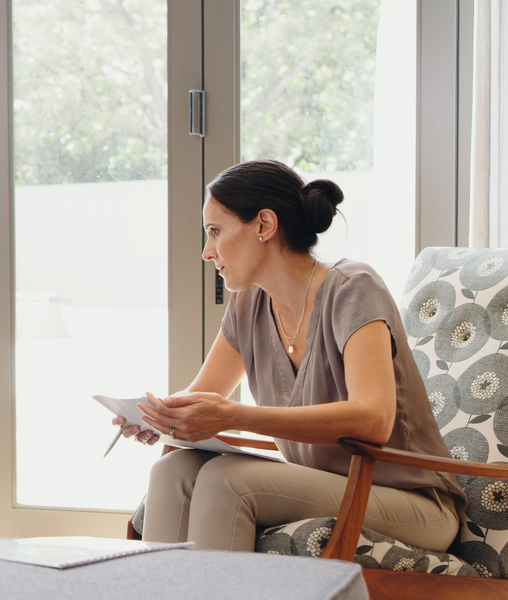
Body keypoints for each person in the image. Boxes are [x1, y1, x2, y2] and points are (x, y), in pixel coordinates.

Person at [117, 160, 464, 553]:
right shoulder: (247, 303)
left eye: (215, 232)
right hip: (328, 487)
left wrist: (235, 415)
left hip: (411, 503)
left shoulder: (353, 289)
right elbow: (201, 395)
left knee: (225, 481)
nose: (206, 251)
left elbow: (374, 419)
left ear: (264, 225)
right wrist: (159, 417)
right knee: (171, 470)